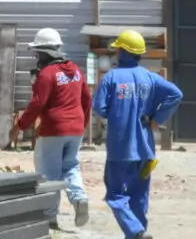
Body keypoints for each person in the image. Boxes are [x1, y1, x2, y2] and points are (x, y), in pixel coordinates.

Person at [92, 30, 183, 239]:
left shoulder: (112, 77)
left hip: (120, 149)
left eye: (118, 49)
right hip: (145, 150)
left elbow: (100, 108)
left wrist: (118, 112)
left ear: (123, 51)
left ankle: (135, 232)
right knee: (139, 195)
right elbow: (176, 94)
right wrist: (156, 119)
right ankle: (138, 233)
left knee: (115, 194)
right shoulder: (150, 78)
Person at [16, 28, 91, 227]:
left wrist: (21, 125)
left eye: (37, 54)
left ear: (43, 53)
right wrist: (81, 125)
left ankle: (49, 218)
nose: (36, 58)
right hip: (75, 128)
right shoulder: (76, 70)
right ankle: (79, 198)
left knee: (48, 173)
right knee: (71, 166)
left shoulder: (48, 74)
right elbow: (87, 99)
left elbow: (37, 103)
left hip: (54, 129)